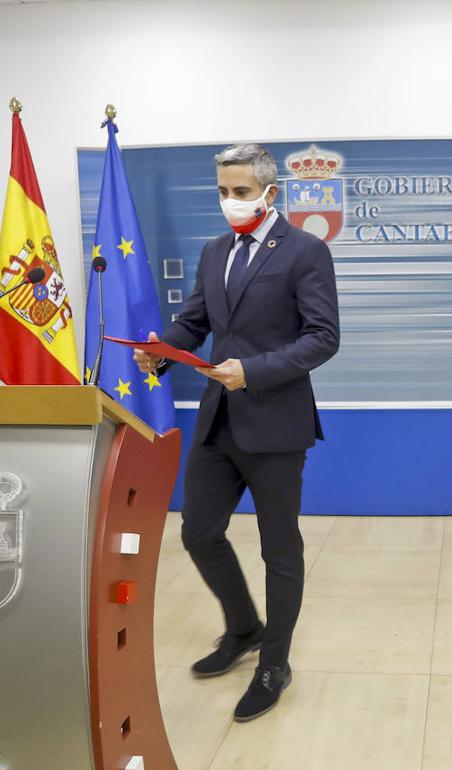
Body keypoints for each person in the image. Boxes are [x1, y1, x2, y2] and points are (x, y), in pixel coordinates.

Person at [134, 143, 340, 722]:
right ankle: (245, 628)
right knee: (199, 533)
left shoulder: (305, 251)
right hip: (217, 422)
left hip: (276, 424)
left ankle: (275, 662)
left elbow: (323, 337)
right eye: (223, 191)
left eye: (241, 192)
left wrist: (253, 371)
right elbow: (196, 319)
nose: (230, 201)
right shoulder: (214, 250)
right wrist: (163, 350)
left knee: (280, 550)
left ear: (270, 193)